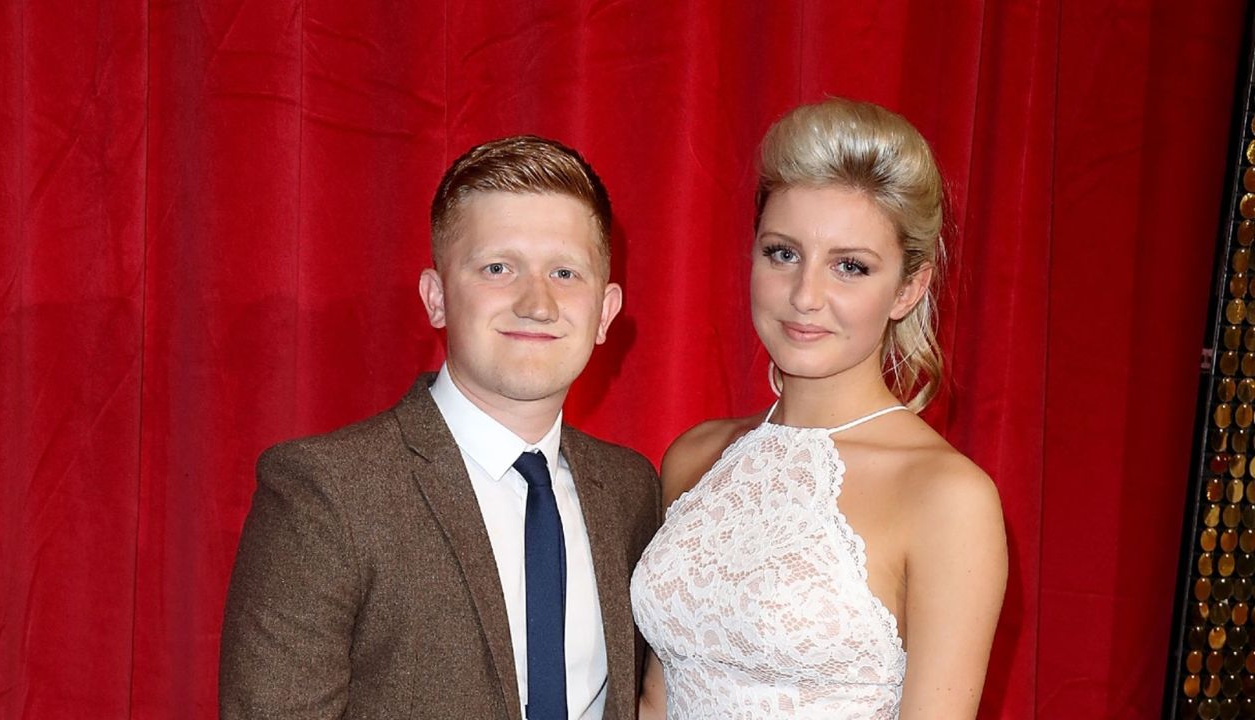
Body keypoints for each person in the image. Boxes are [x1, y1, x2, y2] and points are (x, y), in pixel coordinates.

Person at [220, 135, 661, 720]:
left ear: (605, 313)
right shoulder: (326, 492)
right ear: (436, 298)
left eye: (564, 272)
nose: (537, 302)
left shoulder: (632, 490)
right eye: (498, 268)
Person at [629, 98, 1007, 718]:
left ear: (908, 288)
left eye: (850, 267)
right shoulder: (695, 456)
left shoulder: (946, 495)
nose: (806, 295)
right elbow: (655, 698)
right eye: (782, 253)